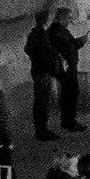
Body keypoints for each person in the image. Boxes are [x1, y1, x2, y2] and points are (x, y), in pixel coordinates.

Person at [48, 8, 84, 133]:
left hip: (65, 68)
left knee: (68, 93)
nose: (69, 21)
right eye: (68, 18)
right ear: (62, 18)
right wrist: (79, 42)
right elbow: (67, 47)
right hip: (66, 68)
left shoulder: (58, 31)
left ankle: (67, 120)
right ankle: (70, 121)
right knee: (71, 93)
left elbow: (68, 44)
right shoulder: (58, 31)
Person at [25, 10, 59, 141]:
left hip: (37, 71)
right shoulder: (43, 35)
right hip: (43, 72)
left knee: (39, 101)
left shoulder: (33, 33)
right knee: (43, 102)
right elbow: (47, 54)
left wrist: (35, 58)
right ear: (46, 20)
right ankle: (42, 131)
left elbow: (27, 49)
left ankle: (40, 129)